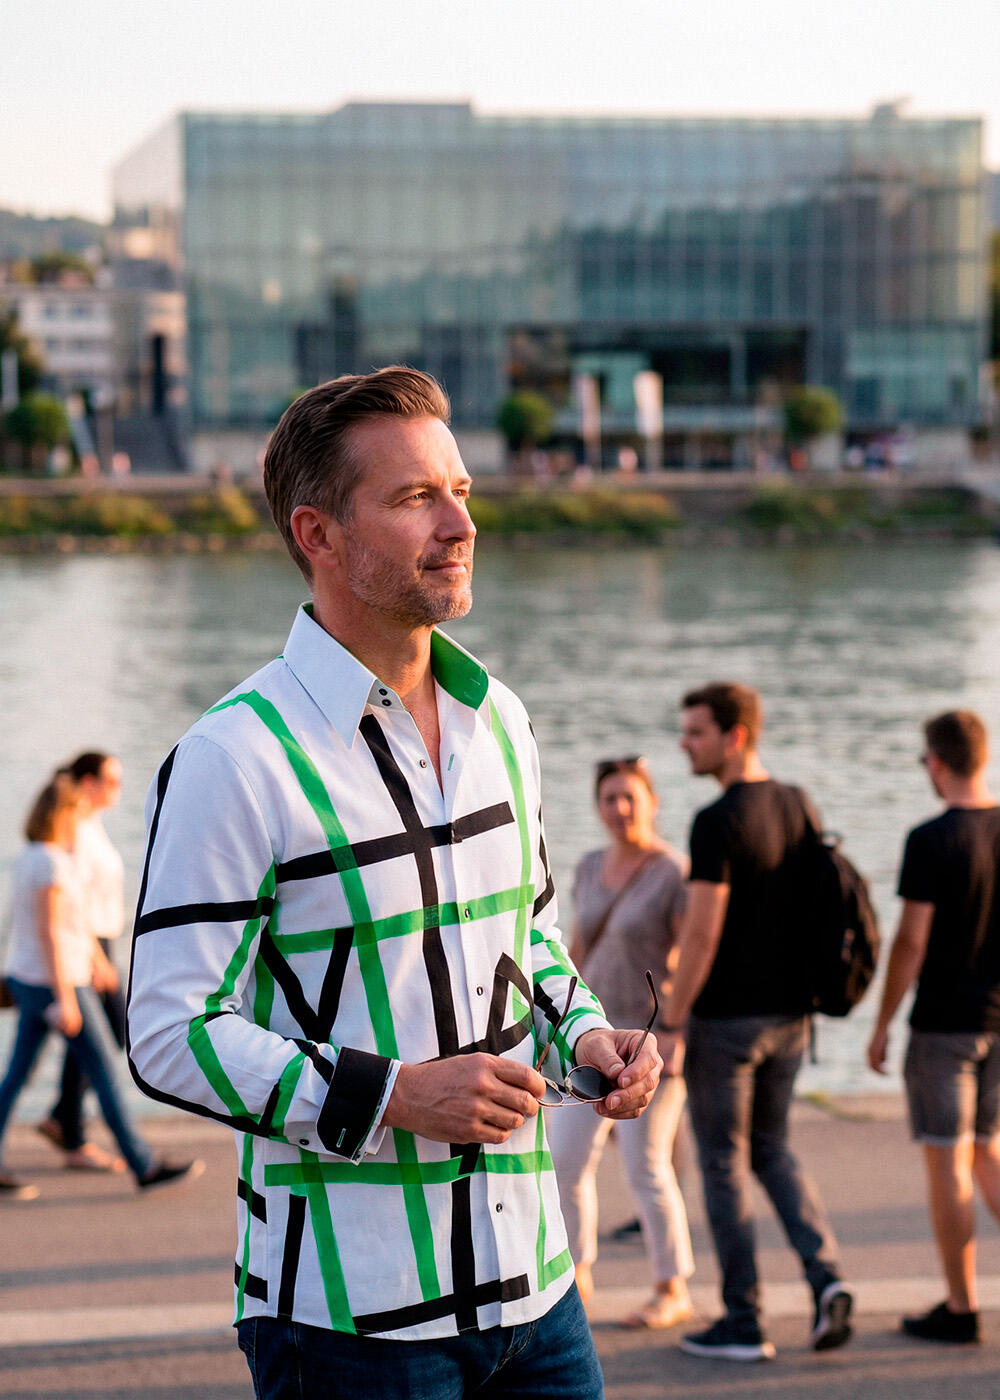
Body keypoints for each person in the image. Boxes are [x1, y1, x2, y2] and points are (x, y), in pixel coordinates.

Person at [126, 366, 662, 1400]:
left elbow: (530, 936)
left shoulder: (499, 716)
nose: (460, 522)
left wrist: (587, 1036)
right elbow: (166, 1027)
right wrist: (396, 1096)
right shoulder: (235, 756)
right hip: (347, 1321)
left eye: (461, 491)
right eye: (416, 497)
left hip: (536, 1288)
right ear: (318, 533)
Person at [659, 682, 853, 1361]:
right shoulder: (797, 803)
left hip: (729, 1023)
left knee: (722, 1163)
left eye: (696, 732)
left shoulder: (716, 822)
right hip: (792, 1018)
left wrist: (671, 1021)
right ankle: (826, 1280)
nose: (685, 744)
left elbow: (703, 933)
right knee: (774, 1150)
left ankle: (743, 1320)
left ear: (735, 736)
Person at [0, 775, 201, 1200]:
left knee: (16, 1076)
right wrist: (68, 998)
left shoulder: (34, 857)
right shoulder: (53, 863)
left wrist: (95, 959)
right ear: (63, 814)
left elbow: (68, 924)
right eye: (76, 812)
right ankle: (143, 1165)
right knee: (105, 1073)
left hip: (33, 980)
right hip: (56, 982)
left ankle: (141, 1162)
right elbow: (51, 933)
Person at [868, 710, 1000, 1345]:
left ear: (938, 763)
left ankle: (961, 1306)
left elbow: (911, 943)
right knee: (990, 1155)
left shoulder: (931, 839)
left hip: (945, 1026)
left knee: (948, 1163)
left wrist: (883, 1022)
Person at [549, 755, 694, 1329]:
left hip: (650, 1045)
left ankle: (671, 1286)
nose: (619, 809)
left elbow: (694, 953)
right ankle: (577, 1276)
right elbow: (576, 948)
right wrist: (556, 1022)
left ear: (652, 801)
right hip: (592, 1038)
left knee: (647, 1167)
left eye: (630, 797)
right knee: (565, 1161)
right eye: (609, 798)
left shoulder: (673, 871)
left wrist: (680, 1028)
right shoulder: (587, 866)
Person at [37, 751, 128, 1171]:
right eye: (111, 781)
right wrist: (95, 956)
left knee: (99, 1039)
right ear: (87, 783)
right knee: (114, 1032)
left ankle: (64, 1121)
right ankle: (68, 1126)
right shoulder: (75, 829)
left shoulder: (92, 825)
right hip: (91, 946)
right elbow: (70, 899)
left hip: (104, 941)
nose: (118, 789)